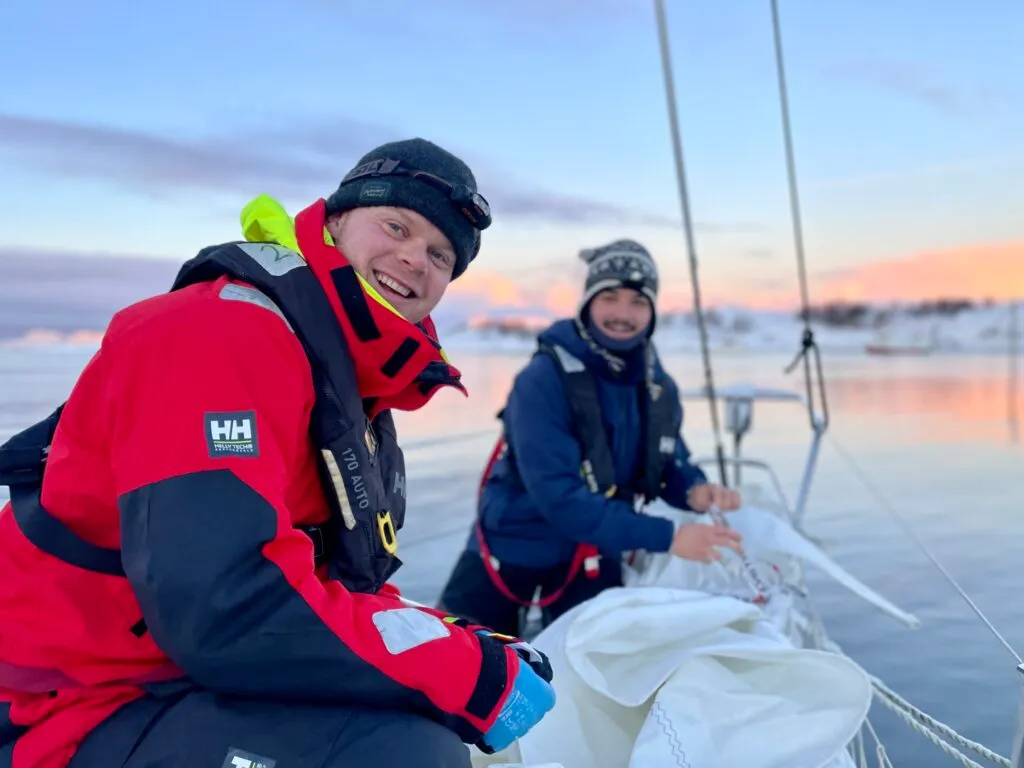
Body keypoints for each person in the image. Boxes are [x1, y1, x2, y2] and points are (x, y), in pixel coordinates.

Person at [0, 138, 556, 768]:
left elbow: (322, 581)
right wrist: (466, 675)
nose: (414, 259)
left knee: (418, 710)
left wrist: (455, 640)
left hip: (171, 675)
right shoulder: (216, 334)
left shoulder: (349, 382)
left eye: (440, 254)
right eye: (396, 225)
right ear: (336, 221)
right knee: (403, 754)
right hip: (62, 704)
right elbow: (226, 606)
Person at [437, 239, 745, 637]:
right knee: (453, 675)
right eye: (610, 297)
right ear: (587, 304)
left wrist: (696, 492)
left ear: (652, 311)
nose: (623, 313)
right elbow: (559, 497)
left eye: (638, 301)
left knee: (600, 672)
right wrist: (668, 537)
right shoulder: (542, 381)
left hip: (595, 553)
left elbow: (668, 466)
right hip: (513, 548)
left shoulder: (659, 387)